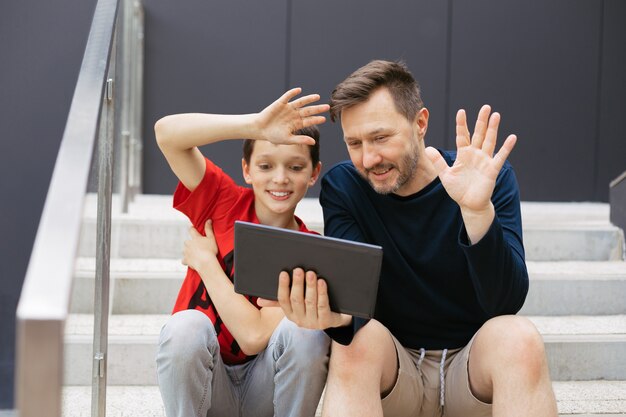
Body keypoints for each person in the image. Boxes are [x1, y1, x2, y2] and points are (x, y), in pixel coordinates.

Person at [265, 61, 558, 416]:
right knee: (353, 344)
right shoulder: (346, 186)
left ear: (420, 123)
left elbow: (506, 302)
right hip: (396, 374)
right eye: (354, 143)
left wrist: (477, 212)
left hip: (471, 373)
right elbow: (356, 298)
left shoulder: (484, 178)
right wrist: (330, 316)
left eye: (381, 138)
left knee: (519, 338)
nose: (369, 158)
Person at [154, 88, 331, 417]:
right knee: (186, 327)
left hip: (264, 391)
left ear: (313, 173)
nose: (279, 178)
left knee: (308, 332)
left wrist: (207, 263)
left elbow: (253, 336)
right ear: (247, 170)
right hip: (209, 384)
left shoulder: (310, 252)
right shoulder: (222, 201)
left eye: (295, 167)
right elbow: (166, 133)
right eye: (265, 165)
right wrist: (255, 126)